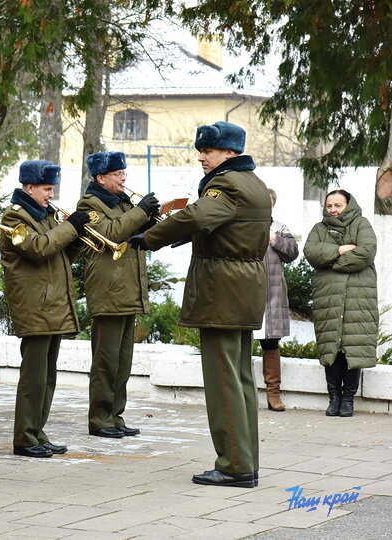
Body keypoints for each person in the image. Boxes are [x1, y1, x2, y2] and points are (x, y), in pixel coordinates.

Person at [130, 121, 270, 488]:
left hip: (222, 289)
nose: (201, 156)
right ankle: (245, 461)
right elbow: (220, 225)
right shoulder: (253, 183)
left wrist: (152, 237)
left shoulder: (226, 183)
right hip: (244, 287)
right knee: (240, 378)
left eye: (208, 150)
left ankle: (233, 466)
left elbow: (197, 215)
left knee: (223, 380)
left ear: (229, 152)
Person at [1, 160, 89, 459]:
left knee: (47, 376)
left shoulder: (46, 214)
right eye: (47, 189)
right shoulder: (15, 218)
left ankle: (37, 432)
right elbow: (39, 248)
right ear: (29, 187)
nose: (51, 194)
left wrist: (78, 234)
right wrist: (70, 227)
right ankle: (24, 437)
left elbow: (59, 250)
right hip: (35, 306)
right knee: (33, 377)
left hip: (51, 305)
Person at [78, 151, 159, 439]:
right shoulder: (90, 204)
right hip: (108, 289)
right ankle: (99, 418)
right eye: (118, 175)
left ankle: (115, 415)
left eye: (124, 174)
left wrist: (149, 222)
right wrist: (140, 212)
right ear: (101, 178)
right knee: (106, 360)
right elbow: (110, 232)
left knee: (123, 361)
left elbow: (129, 233)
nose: (124, 179)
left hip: (126, 289)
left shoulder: (124, 203)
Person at [303, 189, 378, 417]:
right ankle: (333, 396)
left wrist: (332, 263)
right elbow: (310, 252)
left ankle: (348, 399)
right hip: (328, 297)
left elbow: (366, 253)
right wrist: (339, 250)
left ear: (349, 205)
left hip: (358, 296)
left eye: (338, 205)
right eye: (329, 206)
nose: (333, 210)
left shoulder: (361, 224)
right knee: (331, 347)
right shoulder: (319, 228)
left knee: (352, 348)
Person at [257, 188, 299, 412]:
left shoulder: (279, 227)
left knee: (271, 342)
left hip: (272, 293)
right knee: (242, 342)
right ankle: (240, 395)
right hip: (246, 294)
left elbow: (292, 253)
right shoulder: (242, 225)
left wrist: (276, 240)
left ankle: (273, 393)